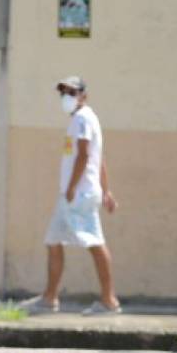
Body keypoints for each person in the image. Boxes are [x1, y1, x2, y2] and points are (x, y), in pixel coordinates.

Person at [20, 76, 121, 316]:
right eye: (63, 92)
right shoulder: (82, 119)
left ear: (84, 96)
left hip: (78, 194)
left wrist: (73, 187)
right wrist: (106, 191)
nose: (66, 97)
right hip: (75, 193)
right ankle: (50, 298)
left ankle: (109, 301)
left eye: (72, 92)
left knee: (95, 243)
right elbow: (100, 159)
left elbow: (85, 155)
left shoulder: (83, 118)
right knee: (54, 241)